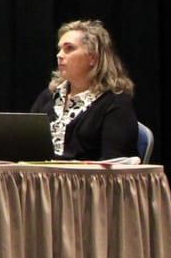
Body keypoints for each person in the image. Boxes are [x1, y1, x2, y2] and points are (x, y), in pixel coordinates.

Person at [28, 18, 138, 160]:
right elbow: (27, 148)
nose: (59, 55)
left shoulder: (115, 102)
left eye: (69, 48)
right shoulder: (49, 96)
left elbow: (115, 165)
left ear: (92, 57)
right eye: (59, 49)